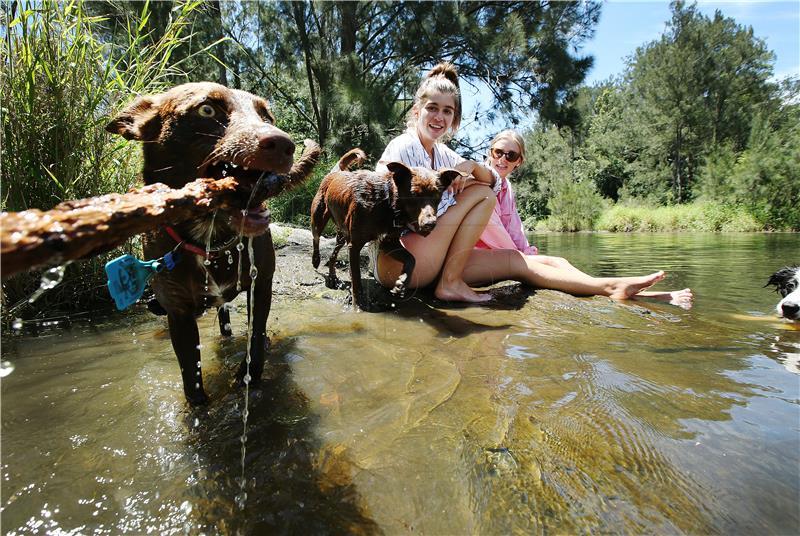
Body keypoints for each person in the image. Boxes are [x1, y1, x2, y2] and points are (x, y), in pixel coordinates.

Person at [375, 62, 690, 305]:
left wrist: (469, 168)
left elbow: (496, 181)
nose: (438, 117)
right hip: (401, 263)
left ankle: (611, 287)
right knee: (480, 193)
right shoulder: (403, 147)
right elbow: (379, 203)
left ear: (455, 120)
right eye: (432, 108)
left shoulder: (445, 154)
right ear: (417, 110)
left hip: (434, 259)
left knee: (516, 261)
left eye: (447, 111)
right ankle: (450, 285)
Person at [477, 129, 693, 305]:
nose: (502, 159)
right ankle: (621, 289)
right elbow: (494, 231)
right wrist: (526, 260)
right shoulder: (481, 183)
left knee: (557, 261)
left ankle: (627, 292)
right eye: (498, 152)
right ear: (490, 152)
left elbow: (514, 227)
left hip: (503, 258)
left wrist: (526, 253)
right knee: (547, 263)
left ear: (519, 161)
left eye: (510, 155)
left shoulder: (506, 186)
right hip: (481, 259)